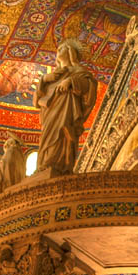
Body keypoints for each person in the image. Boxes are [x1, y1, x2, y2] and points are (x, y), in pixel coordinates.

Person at [35, 40, 98, 175]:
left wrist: (71, 81)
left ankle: (57, 164)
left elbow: (90, 86)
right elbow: (37, 100)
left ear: (70, 52)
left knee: (62, 133)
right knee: (47, 136)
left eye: (62, 49)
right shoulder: (52, 76)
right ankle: (44, 165)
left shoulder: (78, 71)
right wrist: (44, 80)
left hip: (66, 110)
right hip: (50, 113)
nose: (58, 52)